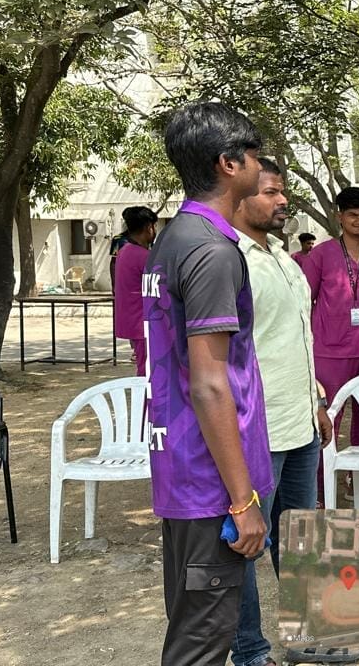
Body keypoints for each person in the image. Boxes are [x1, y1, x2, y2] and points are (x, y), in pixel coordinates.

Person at [145, 102, 271, 665]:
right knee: (199, 645)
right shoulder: (211, 251)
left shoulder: (175, 237)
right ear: (228, 163)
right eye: (254, 156)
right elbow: (209, 384)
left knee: (192, 628)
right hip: (209, 481)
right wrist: (242, 500)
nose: (260, 166)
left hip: (187, 469)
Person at [229, 159, 336, 666]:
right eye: (271, 192)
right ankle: (251, 652)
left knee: (299, 539)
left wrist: (316, 400)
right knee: (248, 544)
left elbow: (296, 340)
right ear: (239, 194)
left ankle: (307, 637)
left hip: (300, 423)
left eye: (283, 192)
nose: (282, 200)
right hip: (256, 429)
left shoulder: (285, 259)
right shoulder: (230, 260)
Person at [301, 187, 359, 499]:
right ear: (339, 216)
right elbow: (303, 301)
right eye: (352, 215)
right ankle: (319, 489)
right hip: (329, 351)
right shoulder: (321, 254)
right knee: (327, 420)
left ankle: (357, 481)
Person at [113, 205, 158, 376]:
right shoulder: (144, 256)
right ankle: (145, 395)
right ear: (148, 227)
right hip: (142, 319)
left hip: (132, 318)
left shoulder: (124, 251)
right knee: (147, 368)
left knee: (143, 364)